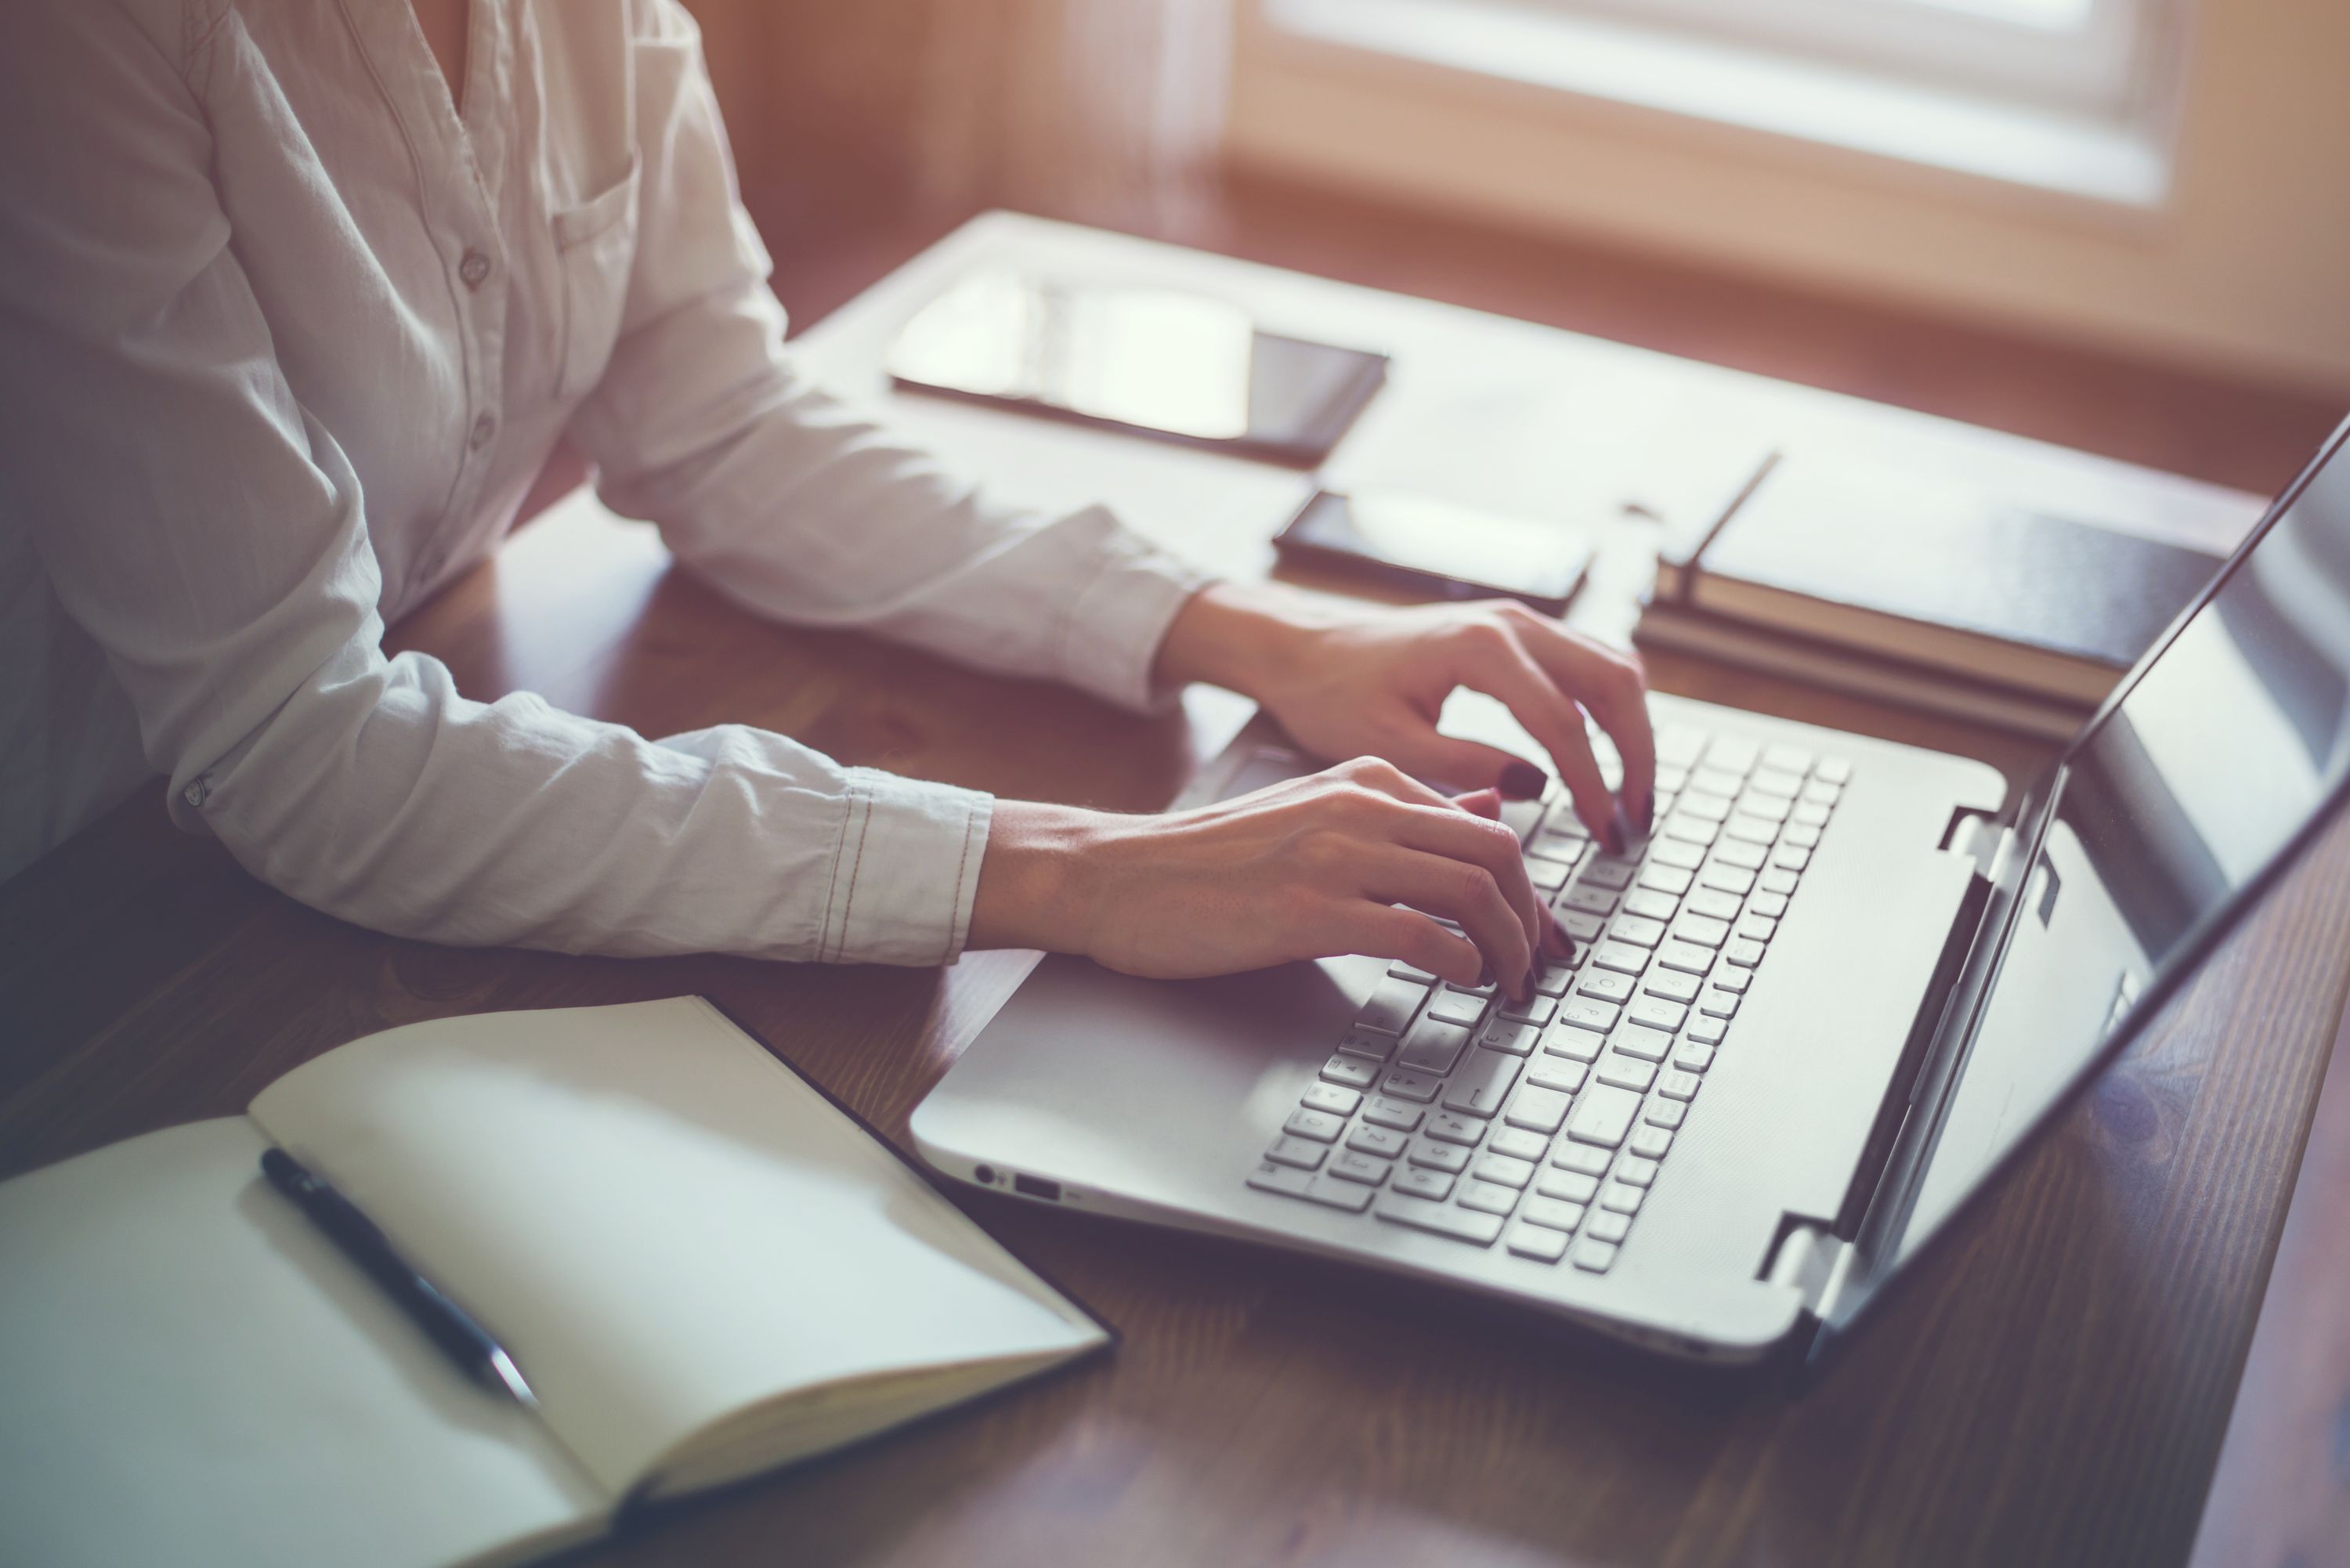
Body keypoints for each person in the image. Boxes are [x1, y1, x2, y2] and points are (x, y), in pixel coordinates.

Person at [0, 0, 1653, 1005]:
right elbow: (298, 746)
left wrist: (1253, 630)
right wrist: (1077, 871)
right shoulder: (82, 40)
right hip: (79, 944)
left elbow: (720, 422)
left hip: (327, 867)